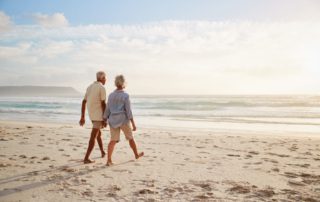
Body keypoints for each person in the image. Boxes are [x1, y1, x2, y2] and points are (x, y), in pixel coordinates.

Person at [103, 75, 144, 166]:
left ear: (115, 83)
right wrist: (133, 124)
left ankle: (108, 160)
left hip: (113, 120)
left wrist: (104, 119)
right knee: (130, 138)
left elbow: (107, 109)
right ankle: (136, 154)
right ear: (124, 83)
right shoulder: (125, 95)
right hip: (123, 120)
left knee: (113, 140)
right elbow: (128, 111)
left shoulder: (111, 95)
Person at [79, 71, 107, 164]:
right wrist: (105, 118)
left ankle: (102, 152)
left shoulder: (89, 87)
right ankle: (86, 158)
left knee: (98, 134)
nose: (106, 80)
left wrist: (82, 116)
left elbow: (84, 102)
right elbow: (103, 104)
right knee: (93, 136)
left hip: (91, 115)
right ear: (102, 78)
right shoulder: (102, 88)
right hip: (98, 116)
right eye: (105, 78)